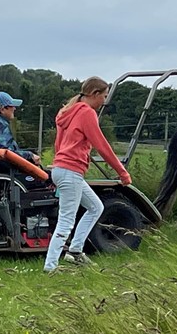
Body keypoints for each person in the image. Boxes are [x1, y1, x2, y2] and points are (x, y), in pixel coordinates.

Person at [43, 76, 132, 272]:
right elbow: (102, 145)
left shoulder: (66, 112)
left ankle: (75, 251)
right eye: (105, 96)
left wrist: (59, 160)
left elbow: (59, 143)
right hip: (71, 171)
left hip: (62, 169)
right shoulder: (87, 113)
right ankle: (51, 266)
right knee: (67, 219)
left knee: (95, 207)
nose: (105, 101)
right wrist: (122, 172)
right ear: (95, 94)